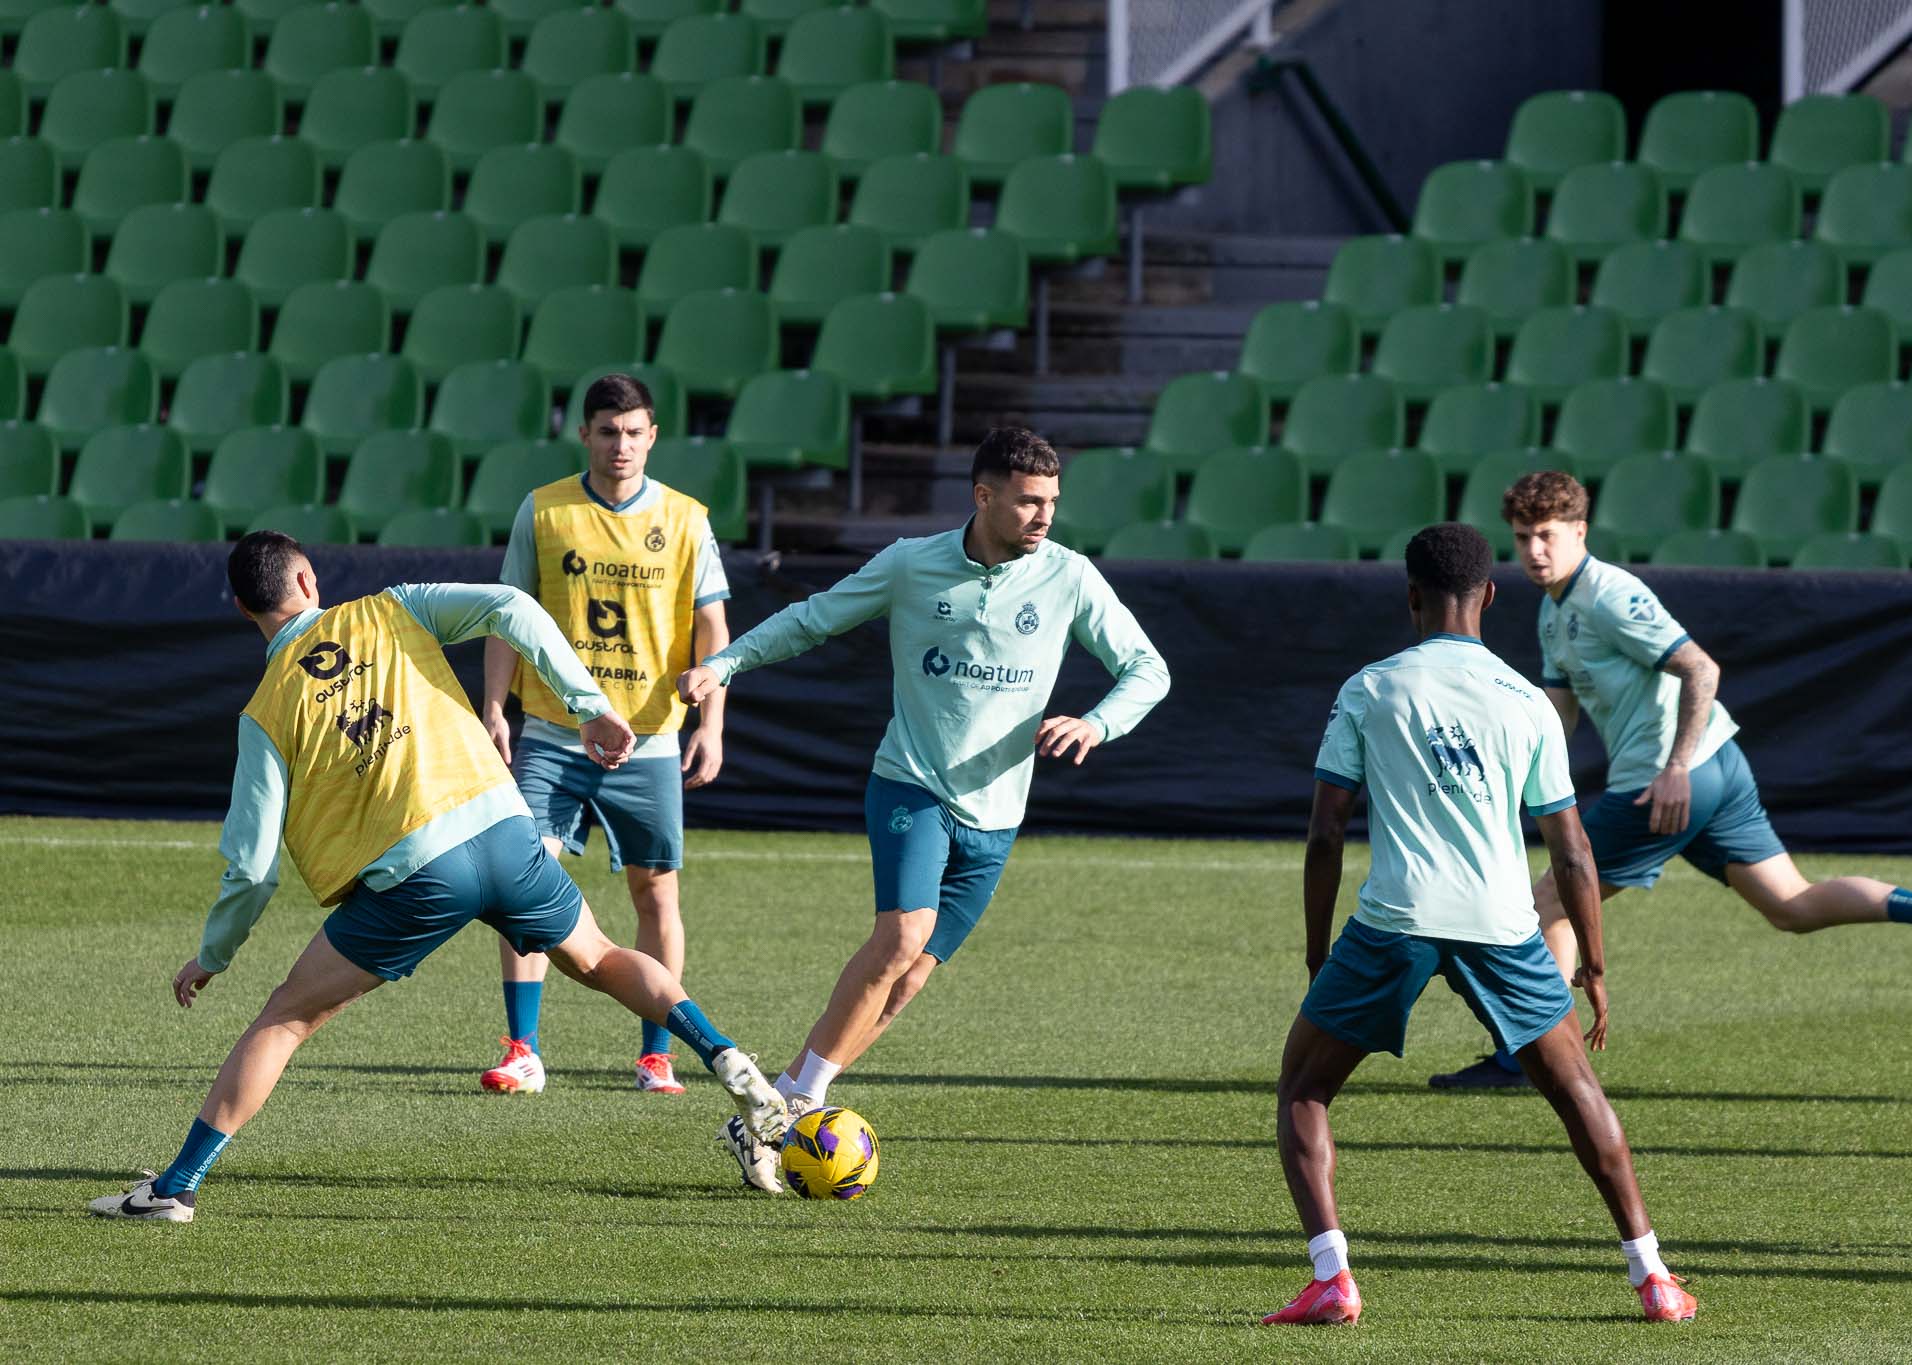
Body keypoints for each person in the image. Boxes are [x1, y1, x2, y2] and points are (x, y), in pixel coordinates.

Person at [89, 533, 786, 1222]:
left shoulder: (265, 710)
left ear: (244, 610)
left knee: (285, 1017)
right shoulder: (389, 607)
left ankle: (177, 1186)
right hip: (505, 831)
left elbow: (251, 868)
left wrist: (213, 956)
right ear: (308, 581)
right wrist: (588, 704)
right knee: (601, 956)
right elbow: (510, 604)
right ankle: (725, 1056)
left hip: (416, 877)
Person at [676, 428, 1171, 1192]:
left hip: (998, 816)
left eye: (1052, 501)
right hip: (912, 785)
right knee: (900, 936)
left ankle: (761, 1118)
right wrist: (722, 663)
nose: (1045, 515)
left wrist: (1096, 722)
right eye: (1030, 499)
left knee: (908, 982)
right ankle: (794, 1109)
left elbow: (1147, 667)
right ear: (984, 496)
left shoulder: (1069, 576)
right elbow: (812, 617)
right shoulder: (912, 561)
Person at [1431, 472, 1912, 1090]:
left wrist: (1677, 769)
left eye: (1547, 535)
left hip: (1667, 782)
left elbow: (1699, 668)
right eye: (1523, 538)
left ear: (1580, 531)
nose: (1534, 551)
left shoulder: (1607, 594)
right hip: (1717, 769)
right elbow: (1560, 713)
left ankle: (1530, 1060)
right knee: (1792, 906)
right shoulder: (1555, 613)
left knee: (1546, 901)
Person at [1267, 523, 1695, 1326]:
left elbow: (1326, 833)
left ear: (1411, 597)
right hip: (1504, 924)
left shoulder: (1370, 687)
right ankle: (1655, 1277)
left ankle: (1332, 1277)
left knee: (1304, 1087)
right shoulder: (1526, 701)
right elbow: (1570, 848)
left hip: (1396, 917)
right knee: (1577, 1091)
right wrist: (1594, 964)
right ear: (1491, 595)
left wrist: (1318, 947)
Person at [476, 373, 730, 1097]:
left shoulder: (685, 518)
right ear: (584, 434)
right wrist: (497, 708)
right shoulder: (545, 510)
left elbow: (713, 628)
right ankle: (522, 1048)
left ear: (653, 436)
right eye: (608, 431)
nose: (621, 445)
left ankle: (658, 1054)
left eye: (635, 431)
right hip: (555, 734)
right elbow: (506, 615)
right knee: (522, 883)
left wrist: (712, 721)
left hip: (648, 737)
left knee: (657, 894)